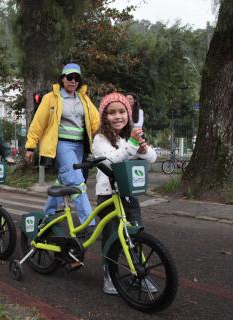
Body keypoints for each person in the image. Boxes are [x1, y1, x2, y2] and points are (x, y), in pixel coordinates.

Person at [92, 92, 157, 295]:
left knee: (135, 234)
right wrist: (133, 145)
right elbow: (111, 160)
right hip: (108, 194)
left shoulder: (128, 138)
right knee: (111, 236)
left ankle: (139, 272)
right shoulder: (100, 139)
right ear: (105, 116)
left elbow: (152, 158)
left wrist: (143, 148)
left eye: (122, 112)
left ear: (128, 114)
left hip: (129, 193)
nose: (117, 116)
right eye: (112, 113)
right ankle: (108, 274)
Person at [24, 63, 100, 229]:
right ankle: (88, 224)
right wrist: (30, 147)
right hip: (62, 145)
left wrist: (112, 131)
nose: (73, 81)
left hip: (80, 146)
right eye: (69, 77)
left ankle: (45, 217)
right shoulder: (51, 98)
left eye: (77, 78)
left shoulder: (84, 99)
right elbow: (38, 123)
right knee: (77, 182)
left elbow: (96, 121)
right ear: (62, 79)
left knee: (64, 182)